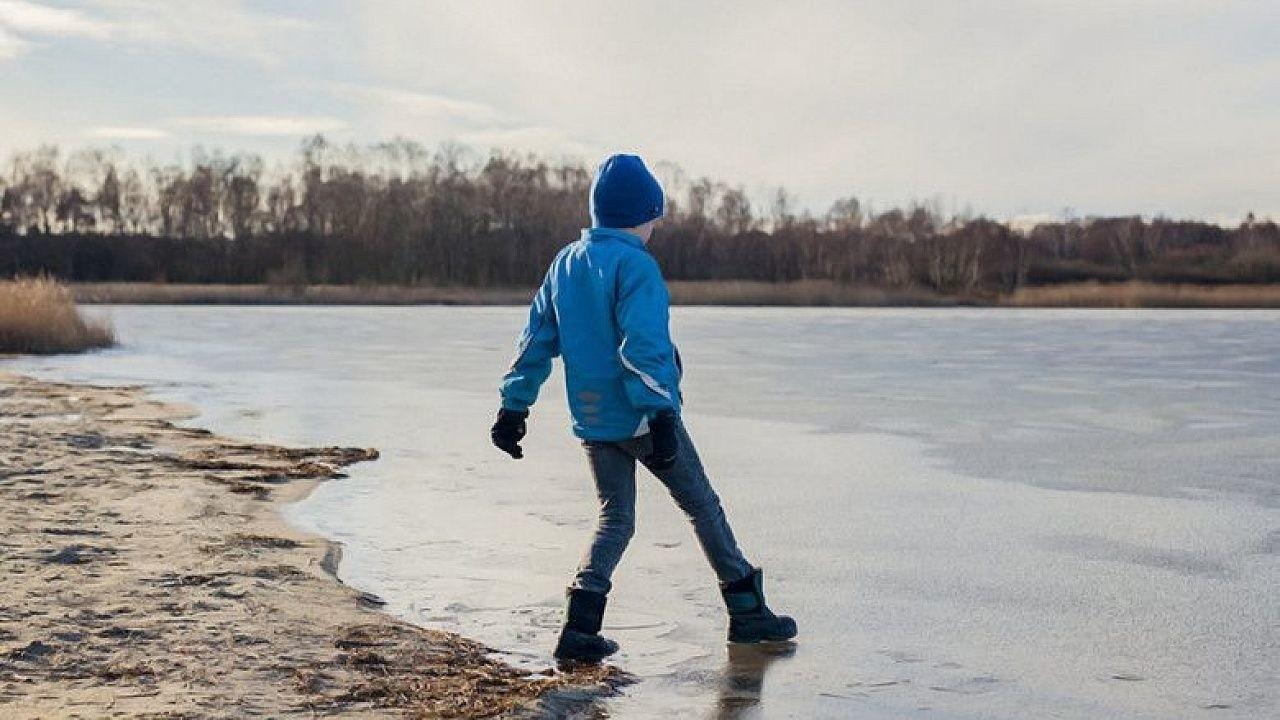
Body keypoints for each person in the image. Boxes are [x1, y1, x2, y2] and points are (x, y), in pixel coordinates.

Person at [491, 153, 797, 663]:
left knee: (616, 519)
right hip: (641, 418)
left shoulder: (565, 263)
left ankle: (580, 628)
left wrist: (513, 407)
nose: (658, 225)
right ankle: (747, 612)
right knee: (702, 506)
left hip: (593, 421)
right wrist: (660, 413)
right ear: (643, 213)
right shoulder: (636, 266)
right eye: (656, 215)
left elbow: (536, 340)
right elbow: (644, 344)